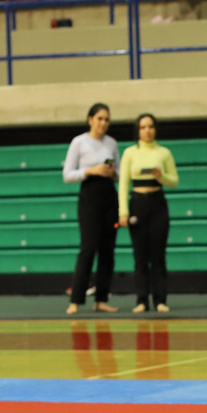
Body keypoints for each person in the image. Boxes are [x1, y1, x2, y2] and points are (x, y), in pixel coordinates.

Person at [63, 103, 121, 316]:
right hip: (89, 197)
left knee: (108, 251)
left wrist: (113, 173)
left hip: (109, 197)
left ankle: (101, 299)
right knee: (88, 248)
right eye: (99, 119)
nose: (103, 123)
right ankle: (75, 300)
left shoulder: (112, 143)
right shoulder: (79, 142)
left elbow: (121, 174)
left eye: (107, 119)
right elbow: (67, 175)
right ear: (90, 120)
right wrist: (91, 170)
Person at [119, 113, 179, 314]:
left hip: (158, 203)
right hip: (137, 203)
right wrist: (123, 211)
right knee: (140, 255)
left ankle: (160, 299)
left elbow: (174, 181)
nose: (147, 130)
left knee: (158, 254)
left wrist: (161, 176)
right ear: (138, 130)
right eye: (143, 127)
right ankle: (142, 300)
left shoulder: (164, 152)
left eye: (151, 126)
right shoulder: (129, 153)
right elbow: (124, 184)